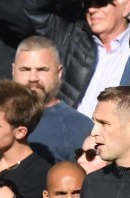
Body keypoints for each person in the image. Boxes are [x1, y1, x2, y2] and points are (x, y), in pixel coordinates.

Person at [26, 0, 130, 118]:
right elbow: (34, 9)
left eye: (101, 3)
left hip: (109, 135)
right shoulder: (73, 35)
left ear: (127, 6)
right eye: (87, 3)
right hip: (62, 130)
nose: (91, 9)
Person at [12, 36, 92, 164]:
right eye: (25, 69)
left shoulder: (78, 127)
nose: (33, 78)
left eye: (42, 70)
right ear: (13, 70)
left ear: (59, 73)